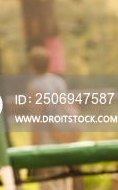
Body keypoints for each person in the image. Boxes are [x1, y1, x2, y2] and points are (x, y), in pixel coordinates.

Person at [27, 45, 77, 190]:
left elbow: (37, 120)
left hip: (47, 141)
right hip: (63, 138)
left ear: (32, 65)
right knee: (64, 181)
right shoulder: (59, 82)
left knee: (49, 184)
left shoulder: (35, 86)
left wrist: (33, 146)